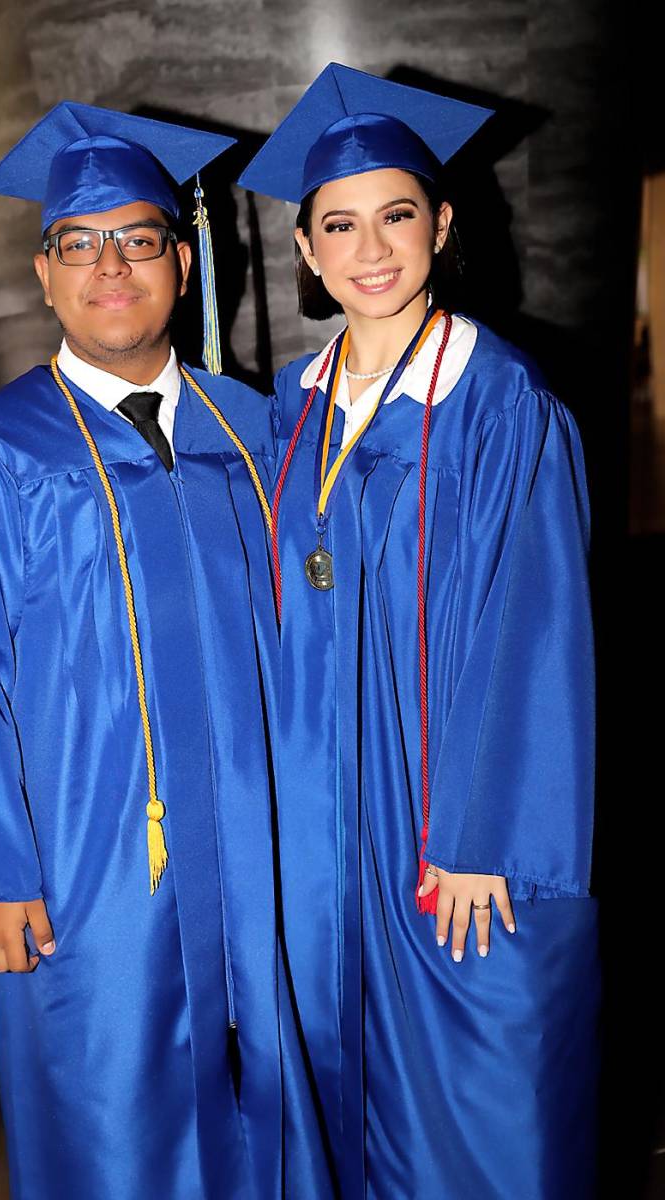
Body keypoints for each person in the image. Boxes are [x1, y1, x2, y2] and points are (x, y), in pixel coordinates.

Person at [0, 101, 331, 1200]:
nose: (111, 266)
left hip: (261, 844)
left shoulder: (257, 430)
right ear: (44, 274)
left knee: (278, 1090)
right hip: (94, 857)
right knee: (106, 1102)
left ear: (179, 264)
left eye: (138, 238)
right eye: (79, 244)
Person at [238, 63, 600, 1199]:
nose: (369, 248)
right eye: (337, 225)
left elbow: (537, 629)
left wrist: (491, 833)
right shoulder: (288, 409)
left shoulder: (499, 402)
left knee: (476, 1101)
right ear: (303, 250)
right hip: (316, 824)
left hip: (449, 816)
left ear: (440, 225)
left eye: (395, 214)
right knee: (335, 1091)